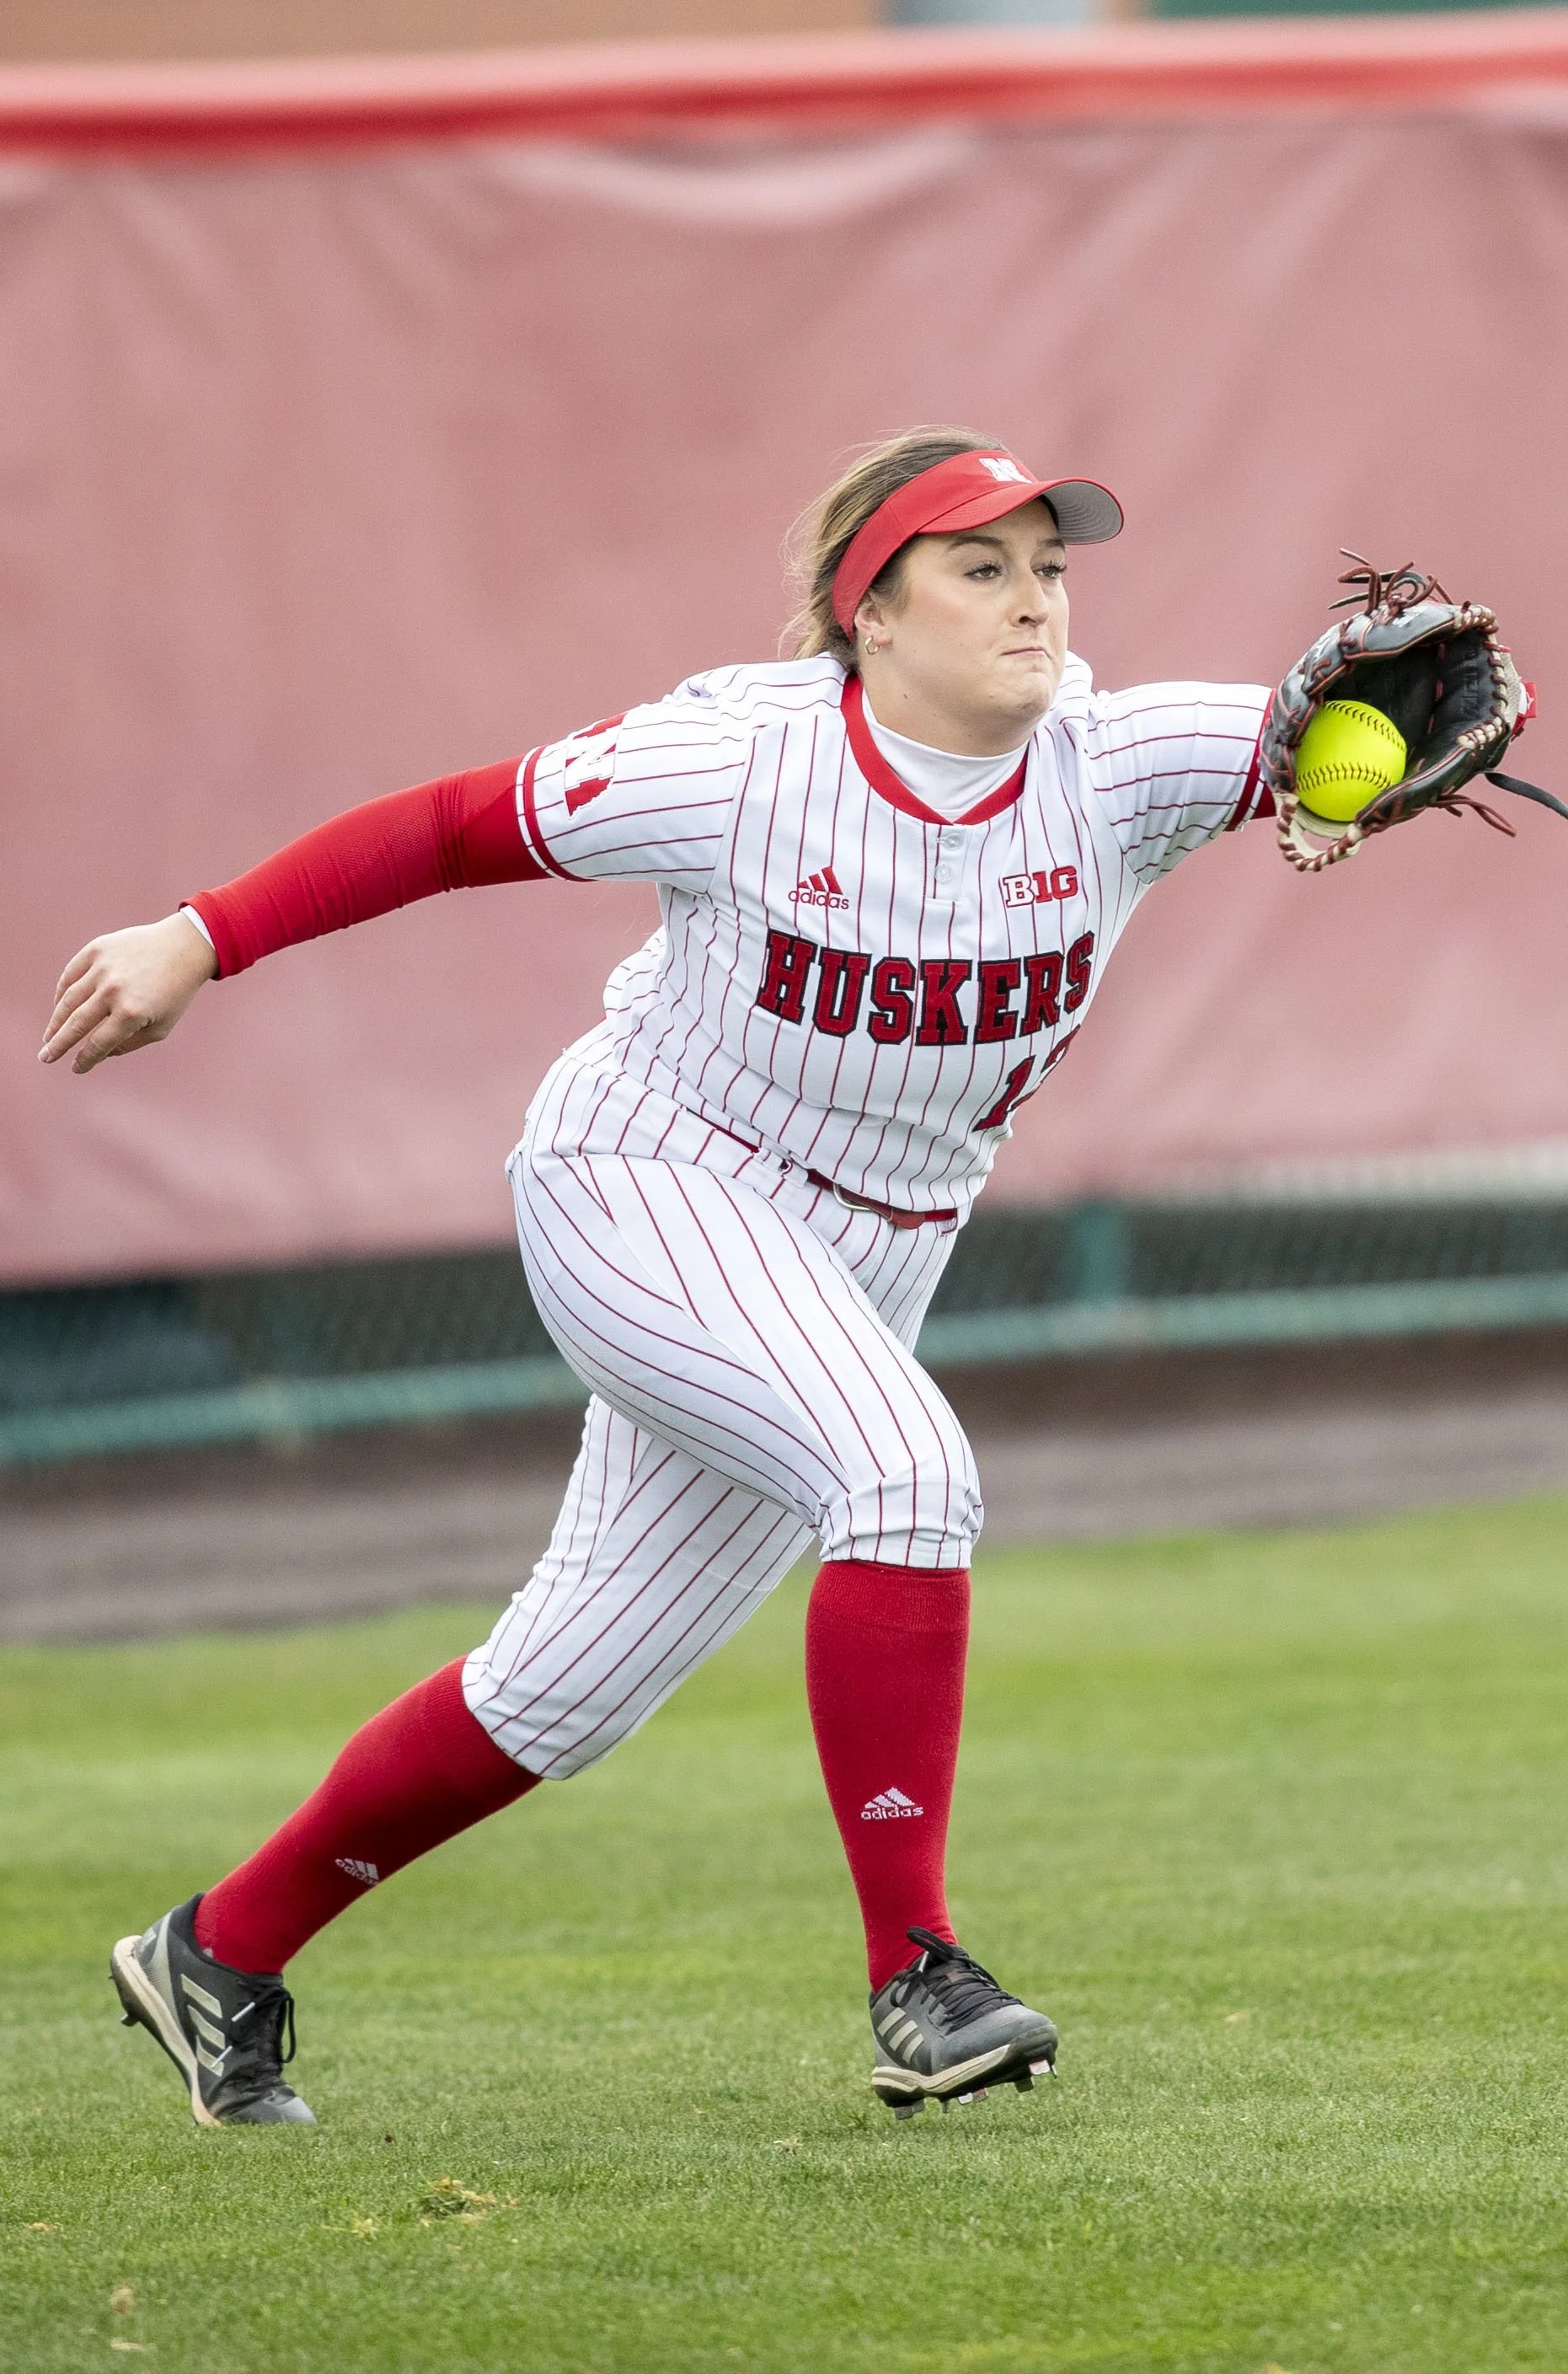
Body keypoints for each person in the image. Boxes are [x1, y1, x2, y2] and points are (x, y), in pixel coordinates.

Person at [40, 426, 1273, 2130]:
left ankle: (218, 1952)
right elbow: (457, 825)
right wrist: (200, 935)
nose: (1035, 601)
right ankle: (918, 1973)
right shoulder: (738, 760)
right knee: (905, 1474)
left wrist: (1386, 754)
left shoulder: (1128, 758)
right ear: (872, 613)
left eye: (1050, 567)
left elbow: (1336, 737)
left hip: (868, 1253)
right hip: (652, 1181)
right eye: (980, 567)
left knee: (566, 1685)